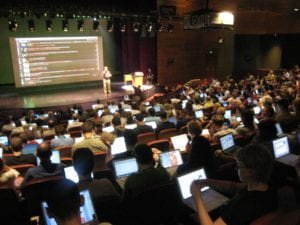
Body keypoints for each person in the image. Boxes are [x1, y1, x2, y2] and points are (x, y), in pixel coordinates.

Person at [191, 144, 277, 225]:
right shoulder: (267, 186)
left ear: (250, 172)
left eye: (239, 166)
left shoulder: (243, 206)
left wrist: (197, 197)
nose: (237, 169)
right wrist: (207, 182)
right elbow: (233, 187)